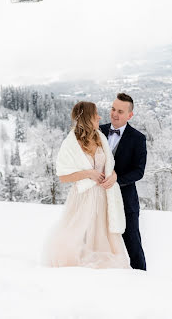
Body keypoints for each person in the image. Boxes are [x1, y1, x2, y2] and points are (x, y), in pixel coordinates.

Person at [42, 101, 130, 269]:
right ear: (88, 117)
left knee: (101, 233)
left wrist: (113, 176)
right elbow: (63, 176)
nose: (100, 116)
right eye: (96, 113)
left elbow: (110, 166)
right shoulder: (71, 143)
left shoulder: (100, 137)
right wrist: (89, 174)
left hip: (103, 196)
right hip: (83, 196)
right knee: (79, 231)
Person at [99, 93, 147, 270]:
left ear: (130, 115)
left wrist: (117, 178)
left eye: (120, 111)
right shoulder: (98, 130)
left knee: (133, 243)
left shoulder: (138, 138)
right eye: (113, 109)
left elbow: (139, 171)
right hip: (97, 197)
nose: (114, 114)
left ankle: (143, 280)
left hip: (125, 200)